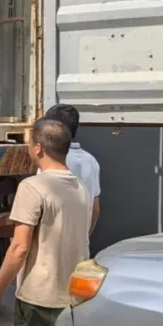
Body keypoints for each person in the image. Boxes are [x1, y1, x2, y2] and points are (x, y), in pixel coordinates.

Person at [0, 119, 90, 326]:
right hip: (72, 300)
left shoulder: (32, 187)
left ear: (38, 148)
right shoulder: (81, 188)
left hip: (38, 300)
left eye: (30, 144)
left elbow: (19, 248)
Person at [44, 104, 101, 249]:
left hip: (51, 247)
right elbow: (95, 210)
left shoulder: (49, 159)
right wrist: (84, 237)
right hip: (80, 245)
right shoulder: (91, 160)